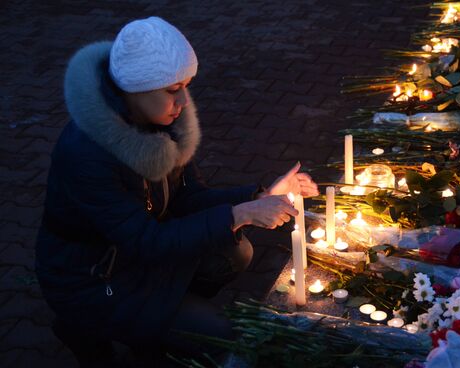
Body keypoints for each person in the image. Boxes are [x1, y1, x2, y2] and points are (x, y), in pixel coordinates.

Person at [34, 17, 318, 366]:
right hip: (95, 279)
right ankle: (89, 326)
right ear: (134, 88)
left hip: (138, 259)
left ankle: (159, 325)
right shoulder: (87, 152)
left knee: (235, 250)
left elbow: (187, 199)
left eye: (186, 85)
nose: (184, 100)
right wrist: (237, 214)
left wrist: (256, 198)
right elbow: (146, 241)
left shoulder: (163, 126)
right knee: (219, 336)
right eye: (172, 90)